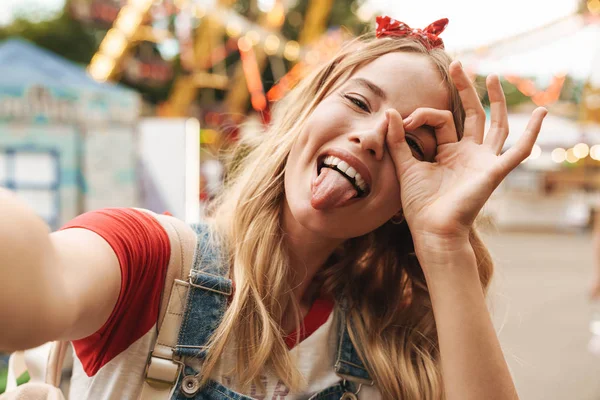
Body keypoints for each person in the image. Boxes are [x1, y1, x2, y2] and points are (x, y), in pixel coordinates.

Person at [0, 16, 547, 400]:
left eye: (412, 144)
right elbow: (32, 289)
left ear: (407, 203)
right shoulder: (149, 259)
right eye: (358, 102)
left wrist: (446, 242)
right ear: (304, 114)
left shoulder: (395, 340)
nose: (374, 138)